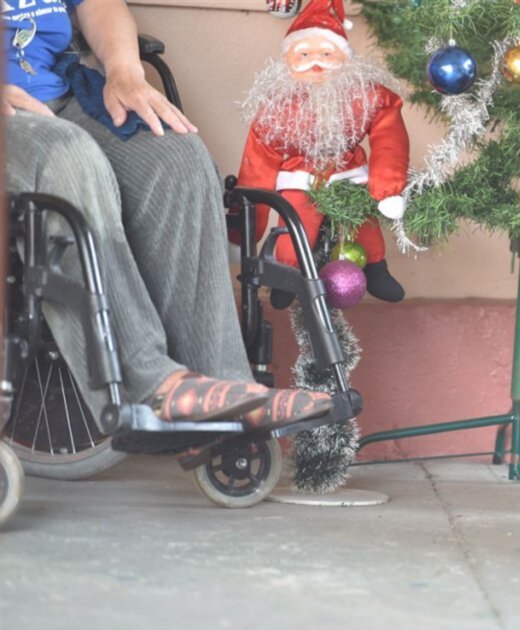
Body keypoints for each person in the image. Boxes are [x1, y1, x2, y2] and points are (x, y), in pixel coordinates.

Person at [4, 0, 331, 431]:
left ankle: (221, 390)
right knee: (69, 159)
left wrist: (124, 69)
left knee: (180, 159)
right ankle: (148, 388)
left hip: (60, 94)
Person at [236, 0, 409, 303]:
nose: (315, 61)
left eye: (327, 53)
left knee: (364, 220)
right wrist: (247, 225)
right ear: (287, 60)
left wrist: (386, 187)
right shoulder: (276, 108)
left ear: (345, 57)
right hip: (300, 176)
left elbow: (389, 135)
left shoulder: (364, 96)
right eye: (303, 54)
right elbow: (257, 165)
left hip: (348, 172)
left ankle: (376, 269)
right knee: (294, 224)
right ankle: (287, 278)